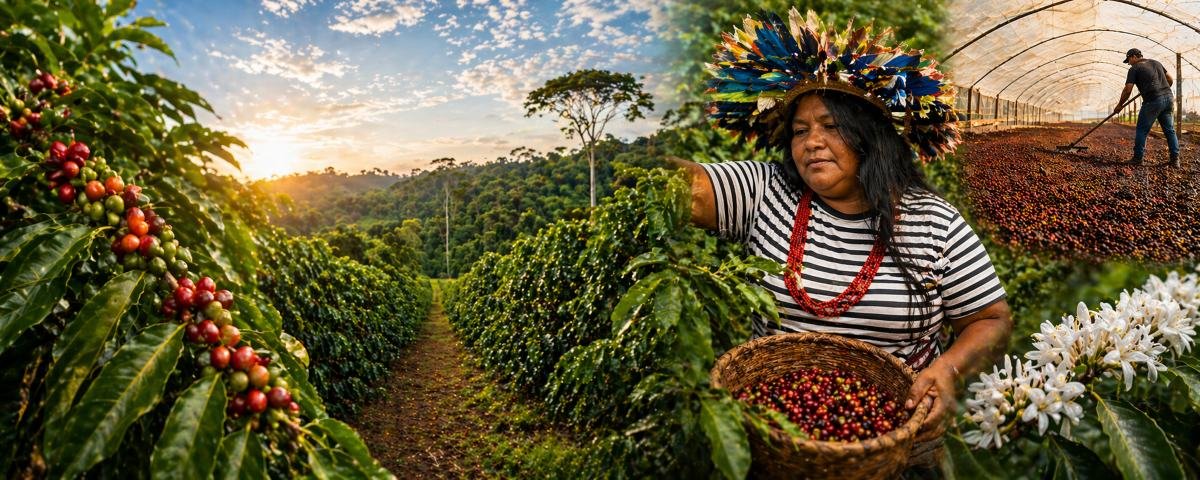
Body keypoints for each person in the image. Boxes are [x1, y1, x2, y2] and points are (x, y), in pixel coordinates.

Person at [673, 8, 1013, 469]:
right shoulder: (765, 191)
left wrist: (947, 370)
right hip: (779, 443)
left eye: (831, 126)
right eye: (800, 130)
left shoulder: (935, 223)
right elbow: (686, 190)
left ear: (872, 138)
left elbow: (990, 319)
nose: (811, 142)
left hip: (896, 447)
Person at [1113, 48, 1181, 167]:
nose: (1129, 63)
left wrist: (1119, 105)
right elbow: (1170, 79)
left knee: (1142, 130)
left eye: (1128, 60)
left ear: (1134, 56)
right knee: (1170, 130)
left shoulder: (1134, 68)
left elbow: (1127, 90)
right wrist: (1161, 88)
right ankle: (1175, 160)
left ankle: (1138, 158)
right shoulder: (1156, 63)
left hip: (1153, 101)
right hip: (1169, 98)